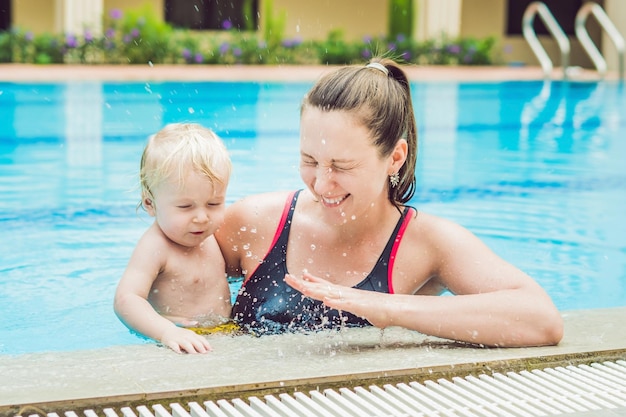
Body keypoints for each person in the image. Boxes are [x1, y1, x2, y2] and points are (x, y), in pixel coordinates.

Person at [215, 58, 564, 348]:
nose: (321, 184)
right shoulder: (256, 220)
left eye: (342, 165)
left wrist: (388, 308)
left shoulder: (427, 244)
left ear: (395, 158)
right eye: (309, 160)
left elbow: (540, 319)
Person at [114, 123, 233, 354]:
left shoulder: (211, 236)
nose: (201, 217)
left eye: (214, 203)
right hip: (180, 341)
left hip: (222, 333)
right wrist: (166, 331)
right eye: (185, 206)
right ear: (150, 203)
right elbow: (126, 299)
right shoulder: (155, 247)